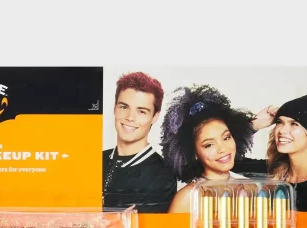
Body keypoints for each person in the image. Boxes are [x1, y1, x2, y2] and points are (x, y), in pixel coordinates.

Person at [160, 85, 255, 213]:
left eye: (226, 137)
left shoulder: (250, 188)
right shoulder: (188, 197)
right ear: (194, 153)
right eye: (209, 145)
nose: (222, 149)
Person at [103, 72, 177, 213]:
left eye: (141, 111)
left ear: (155, 117)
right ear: (114, 108)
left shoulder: (162, 175)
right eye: (124, 107)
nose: (130, 117)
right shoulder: (93, 161)